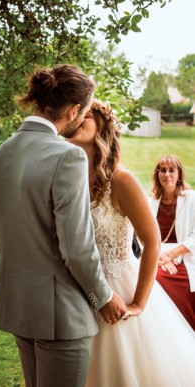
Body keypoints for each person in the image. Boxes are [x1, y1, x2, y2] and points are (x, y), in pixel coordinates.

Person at [0, 65, 127, 387]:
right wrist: (104, 298)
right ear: (74, 110)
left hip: (20, 311)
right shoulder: (68, 158)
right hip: (62, 318)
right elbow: (76, 250)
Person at [66, 99, 195, 387]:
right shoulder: (67, 176)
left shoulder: (120, 180)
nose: (77, 118)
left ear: (103, 127)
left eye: (86, 114)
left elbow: (152, 241)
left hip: (118, 289)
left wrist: (138, 301)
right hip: (75, 291)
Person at [150, 155, 195, 330]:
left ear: (179, 175)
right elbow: (142, 237)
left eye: (172, 170)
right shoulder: (150, 202)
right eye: (162, 170)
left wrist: (169, 255)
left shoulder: (192, 199)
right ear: (157, 174)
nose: (167, 174)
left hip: (185, 256)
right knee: (152, 278)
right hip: (157, 257)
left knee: (166, 281)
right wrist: (159, 257)